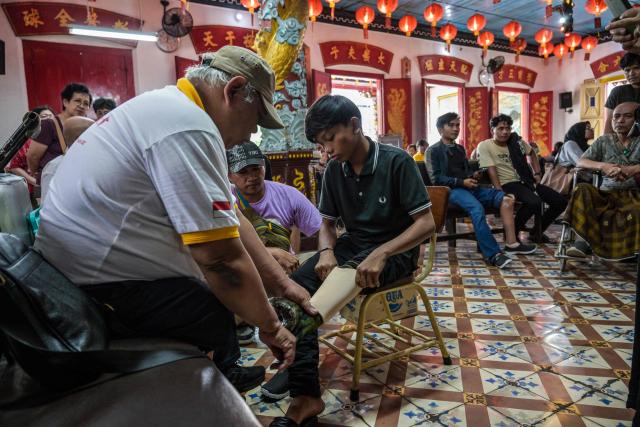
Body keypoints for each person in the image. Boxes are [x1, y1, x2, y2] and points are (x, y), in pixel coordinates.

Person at [34, 46, 315, 394]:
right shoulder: (188, 126)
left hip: (75, 275)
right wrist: (271, 327)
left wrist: (282, 286)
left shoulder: (171, 107)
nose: (251, 135)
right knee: (210, 307)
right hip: (92, 290)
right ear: (233, 91)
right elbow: (222, 260)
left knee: (211, 300)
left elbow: (231, 215)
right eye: (255, 119)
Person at [265, 94, 435, 426]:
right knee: (296, 288)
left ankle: (301, 389)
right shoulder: (334, 171)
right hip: (351, 247)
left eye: (330, 139)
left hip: (395, 253)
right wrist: (326, 251)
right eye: (320, 143)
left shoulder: (396, 161)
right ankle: (306, 388)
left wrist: (382, 252)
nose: (326, 150)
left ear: (354, 126)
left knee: (326, 295)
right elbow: (326, 225)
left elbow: (426, 223)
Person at [426, 112, 536, 268]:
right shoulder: (433, 151)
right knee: (477, 209)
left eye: (457, 125)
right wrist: (462, 182)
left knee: (506, 198)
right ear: (440, 129)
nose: (456, 128)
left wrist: (474, 175)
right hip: (451, 191)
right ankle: (493, 254)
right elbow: (436, 179)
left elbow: (465, 172)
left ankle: (511, 243)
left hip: (469, 187)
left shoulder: (459, 149)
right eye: (451, 125)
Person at [476, 114, 568, 243]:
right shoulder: (485, 145)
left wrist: (537, 173)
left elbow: (532, 153)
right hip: (507, 183)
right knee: (534, 202)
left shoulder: (516, 142)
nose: (505, 132)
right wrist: (498, 191)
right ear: (492, 130)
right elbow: (491, 169)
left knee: (560, 202)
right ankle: (512, 233)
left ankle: (537, 231)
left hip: (526, 181)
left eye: (508, 128)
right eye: (501, 128)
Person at [566, 102, 640, 259]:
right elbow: (581, 162)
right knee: (582, 189)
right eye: (616, 117)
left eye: (627, 116)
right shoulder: (604, 141)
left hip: (632, 193)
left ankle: (629, 252)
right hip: (604, 193)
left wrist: (632, 169)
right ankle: (582, 243)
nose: (620, 121)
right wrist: (603, 166)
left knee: (635, 210)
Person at [27, 83, 92, 185]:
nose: (81, 106)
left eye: (86, 103)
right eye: (77, 101)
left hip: (75, 181)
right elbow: (33, 156)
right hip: (51, 183)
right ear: (65, 102)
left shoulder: (88, 128)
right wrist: (38, 175)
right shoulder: (49, 125)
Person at [6, 106, 55, 199]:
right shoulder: (27, 141)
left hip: (55, 189)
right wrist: (35, 181)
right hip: (34, 191)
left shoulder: (58, 140)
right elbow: (14, 167)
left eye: (51, 116)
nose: (48, 119)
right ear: (37, 121)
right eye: (44, 116)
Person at [40, 116, 95, 201]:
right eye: (94, 134)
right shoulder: (55, 167)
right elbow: (47, 205)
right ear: (80, 139)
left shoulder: (95, 161)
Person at [604, 53, 640, 134]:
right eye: (627, 70)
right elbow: (609, 122)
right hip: (621, 142)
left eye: (636, 68)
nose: (631, 73)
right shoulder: (617, 92)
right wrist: (607, 144)